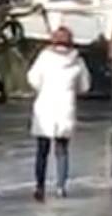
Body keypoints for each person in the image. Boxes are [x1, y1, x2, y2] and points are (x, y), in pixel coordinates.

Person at [28, 24, 91, 200]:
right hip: (65, 107)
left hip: (46, 106)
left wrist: (42, 88)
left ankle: (39, 186)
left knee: (42, 150)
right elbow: (85, 86)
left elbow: (33, 78)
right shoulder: (77, 60)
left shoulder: (44, 57)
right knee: (62, 150)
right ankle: (60, 186)